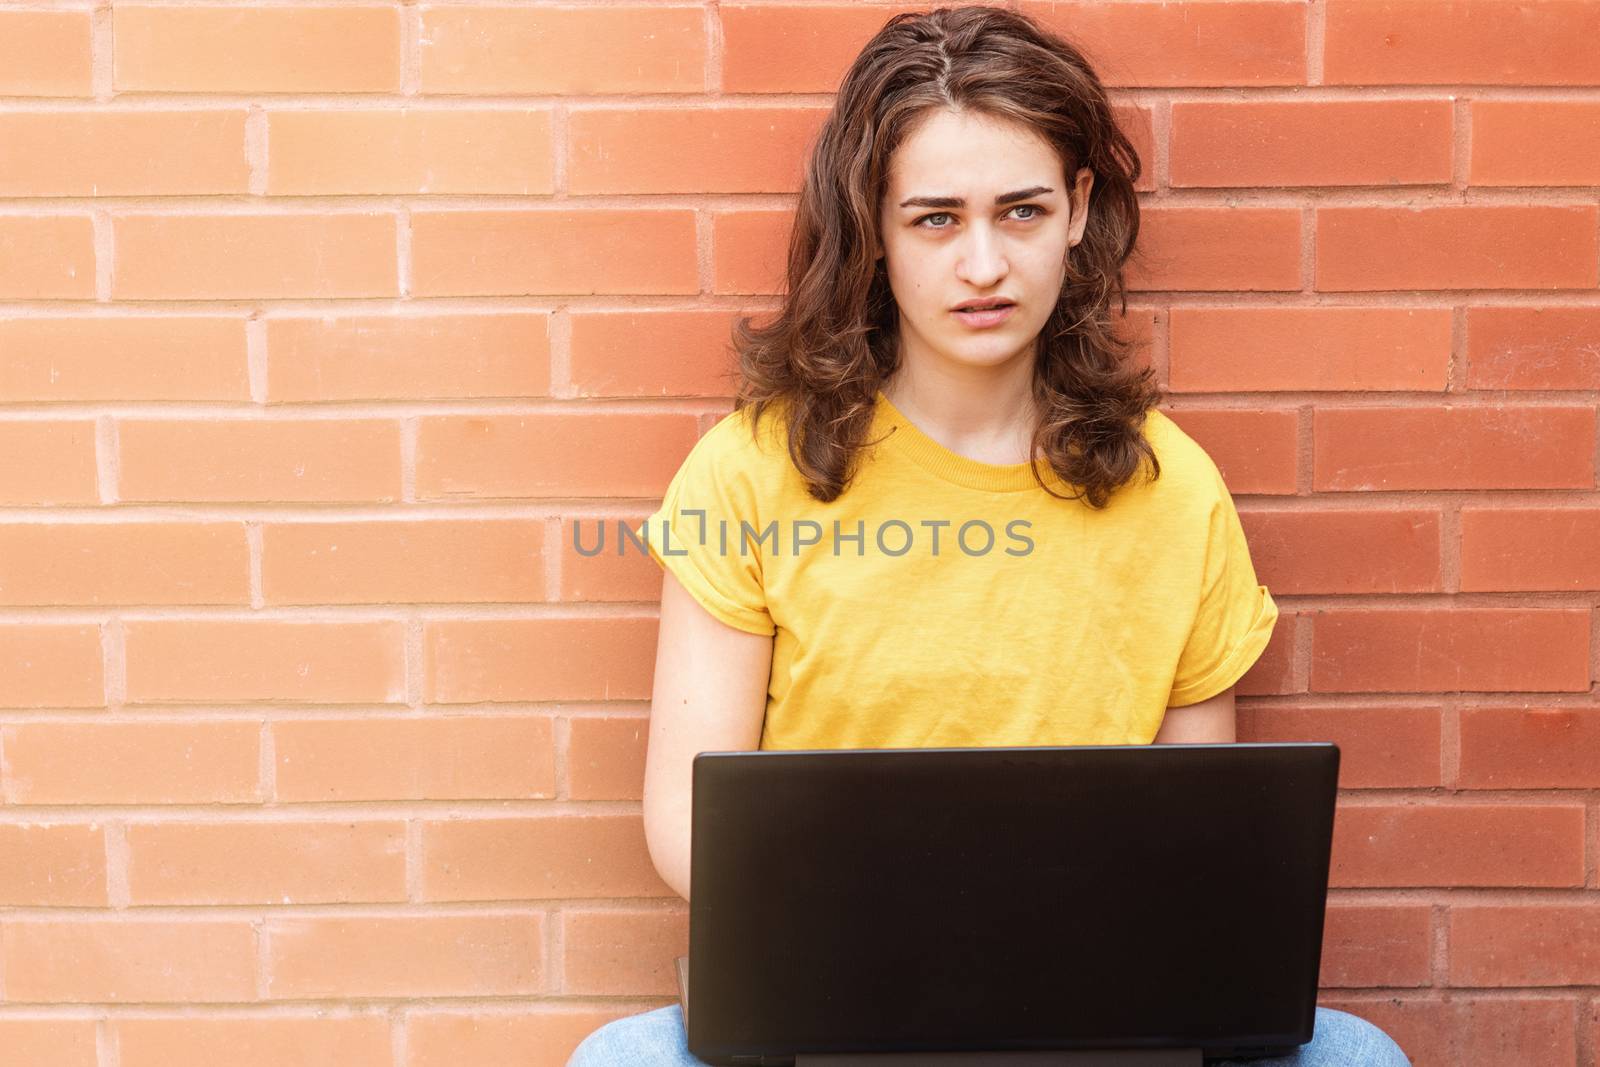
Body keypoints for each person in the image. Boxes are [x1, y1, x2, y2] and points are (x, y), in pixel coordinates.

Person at [570, 6, 1410, 1065]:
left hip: (1097, 991)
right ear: (873, 227)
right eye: (933, 218)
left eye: (1019, 210)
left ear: (1077, 210)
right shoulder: (749, 471)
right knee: (622, 1059)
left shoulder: (1174, 488)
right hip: (835, 981)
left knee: (1356, 1056)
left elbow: (1208, 841)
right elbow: (689, 828)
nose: (982, 263)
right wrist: (908, 912)